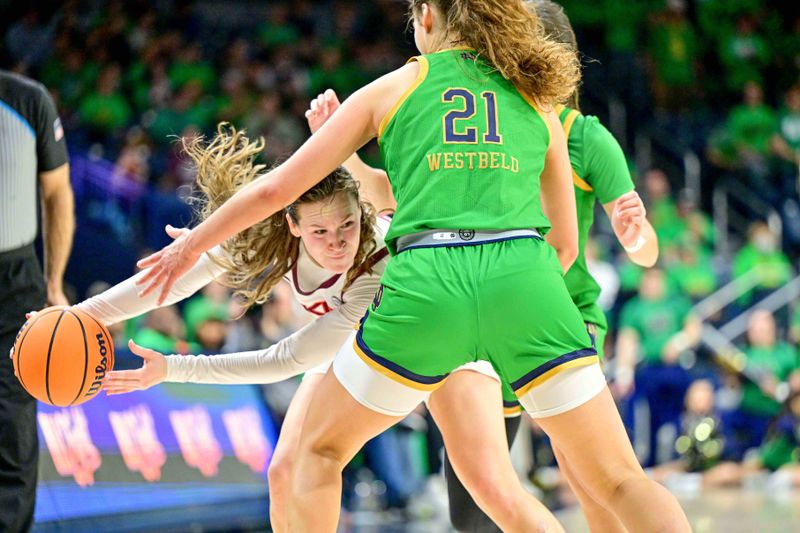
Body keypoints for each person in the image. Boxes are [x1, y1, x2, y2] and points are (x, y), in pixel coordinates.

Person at [137, 1, 691, 531]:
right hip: (526, 280)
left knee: (316, 452)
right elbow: (565, 247)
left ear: (426, 16)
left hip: (426, 283)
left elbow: (278, 188)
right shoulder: (536, 100)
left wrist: (191, 247)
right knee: (619, 480)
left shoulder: (394, 87)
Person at [81, 125, 553, 531]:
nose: (336, 243)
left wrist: (174, 369)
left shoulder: (379, 257)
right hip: (358, 349)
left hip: (446, 340)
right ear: (291, 224)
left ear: (362, 212)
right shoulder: (265, 234)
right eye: (320, 233)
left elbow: (288, 358)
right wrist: (85, 315)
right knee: (286, 469)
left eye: (347, 224)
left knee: (490, 492)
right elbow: (174, 279)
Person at [303, 1, 660, 529]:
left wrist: (637, 237)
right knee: (476, 501)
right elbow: (402, 200)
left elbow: (636, 250)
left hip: (556, 310)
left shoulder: (579, 133)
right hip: (485, 303)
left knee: (593, 481)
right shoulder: (470, 107)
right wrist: (346, 152)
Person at [0, 70, 74, 533]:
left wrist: (54, 283)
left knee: (13, 423)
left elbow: (57, 195)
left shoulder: (27, 99)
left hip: (14, 281)